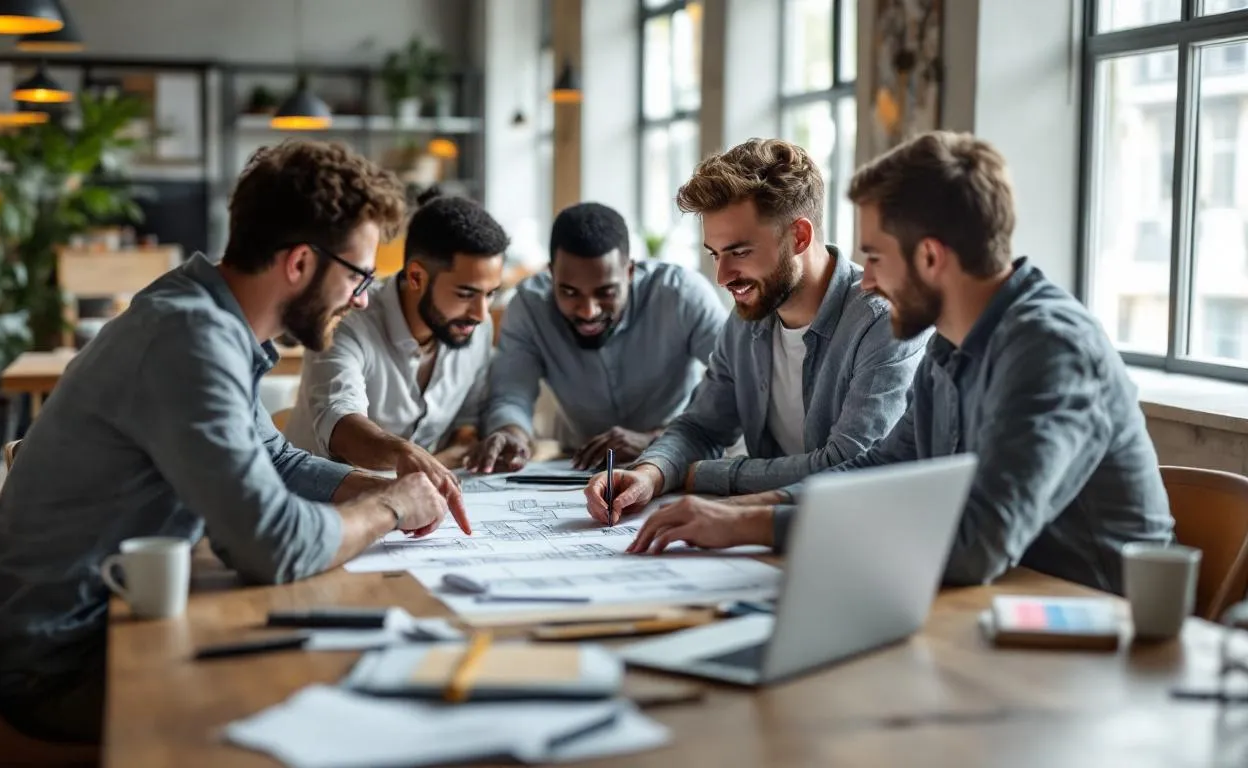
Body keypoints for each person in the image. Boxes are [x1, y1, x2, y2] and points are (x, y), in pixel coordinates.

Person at [0, 140, 458, 744]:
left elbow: (272, 458)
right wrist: (391, 507)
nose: (361, 299)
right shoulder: (192, 341)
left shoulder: (202, 312)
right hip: (64, 664)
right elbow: (272, 548)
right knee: (350, 700)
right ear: (300, 263)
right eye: (359, 276)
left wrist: (383, 485)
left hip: (107, 624)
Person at [621, 131, 1175, 594]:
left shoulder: (1049, 348)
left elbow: (975, 544)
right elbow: (878, 470)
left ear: (930, 256)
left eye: (876, 257)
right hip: (998, 609)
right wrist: (743, 511)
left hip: (1096, 626)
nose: (866, 279)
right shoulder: (949, 345)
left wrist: (758, 522)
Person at [584, 138, 926, 517]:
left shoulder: (882, 321)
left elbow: (848, 465)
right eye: (716, 254)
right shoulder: (748, 317)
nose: (722, 277)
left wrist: (702, 475)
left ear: (799, 236)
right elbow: (702, 427)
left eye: (740, 252)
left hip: (856, 535)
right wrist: (652, 473)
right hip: (766, 536)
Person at [284, 190, 509, 520]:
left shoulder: (475, 326)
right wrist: (405, 453)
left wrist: (470, 443)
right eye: (466, 294)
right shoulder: (347, 317)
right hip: (320, 510)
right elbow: (341, 424)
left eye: (491, 294)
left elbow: (467, 421)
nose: (480, 312)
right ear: (416, 276)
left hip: (412, 512)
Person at [468, 201, 727, 473]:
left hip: (678, 457)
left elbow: (733, 383)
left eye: (606, 292)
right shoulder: (529, 307)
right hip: (581, 465)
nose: (588, 311)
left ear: (629, 272)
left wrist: (657, 439)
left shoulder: (682, 295)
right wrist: (513, 434)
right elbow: (511, 394)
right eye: (569, 292)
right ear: (551, 273)